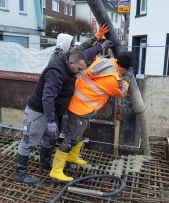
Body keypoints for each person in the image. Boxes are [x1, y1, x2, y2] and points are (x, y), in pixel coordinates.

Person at [15, 40, 113, 185]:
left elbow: (85, 54)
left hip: (54, 111)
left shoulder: (73, 59)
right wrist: (49, 121)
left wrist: (101, 46)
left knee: (50, 139)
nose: (80, 73)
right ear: (71, 63)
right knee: (29, 141)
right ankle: (20, 174)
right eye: (79, 69)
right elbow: (47, 98)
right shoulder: (56, 73)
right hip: (39, 112)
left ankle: (45, 164)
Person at [49, 52, 133, 181]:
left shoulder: (104, 62)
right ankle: (56, 170)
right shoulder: (112, 78)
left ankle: (72, 156)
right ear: (125, 69)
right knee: (71, 138)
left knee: (83, 132)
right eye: (125, 71)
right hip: (80, 108)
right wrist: (127, 78)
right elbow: (121, 92)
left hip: (78, 102)